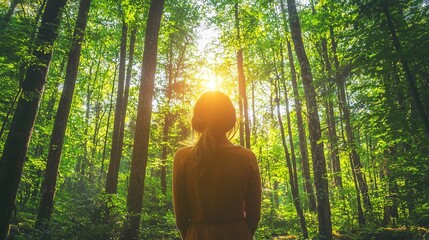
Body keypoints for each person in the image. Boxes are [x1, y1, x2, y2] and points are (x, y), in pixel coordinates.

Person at [173, 91, 262, 240]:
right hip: (237, 234)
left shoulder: (183, 157)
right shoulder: (247, 157)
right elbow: (254, 216)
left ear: (198, 120)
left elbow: (181, 218)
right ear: (230, 121)